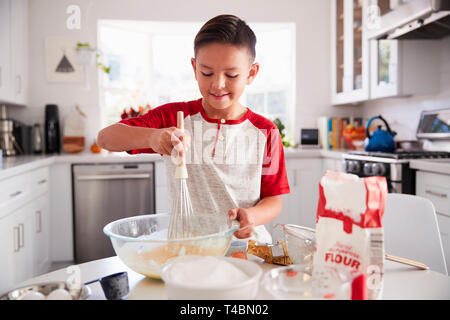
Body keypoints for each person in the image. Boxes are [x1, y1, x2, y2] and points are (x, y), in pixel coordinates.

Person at [97, 14, 290, 243]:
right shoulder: (173, 118)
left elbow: (274, 200)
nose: (218, 84)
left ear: (251, 73)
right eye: (207, 73)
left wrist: (251, 216)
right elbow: (105, 138)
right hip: (188, 247)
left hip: (248, 247)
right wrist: (153, 136)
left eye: (231, 74)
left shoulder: (266, 132)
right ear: (194, 67)